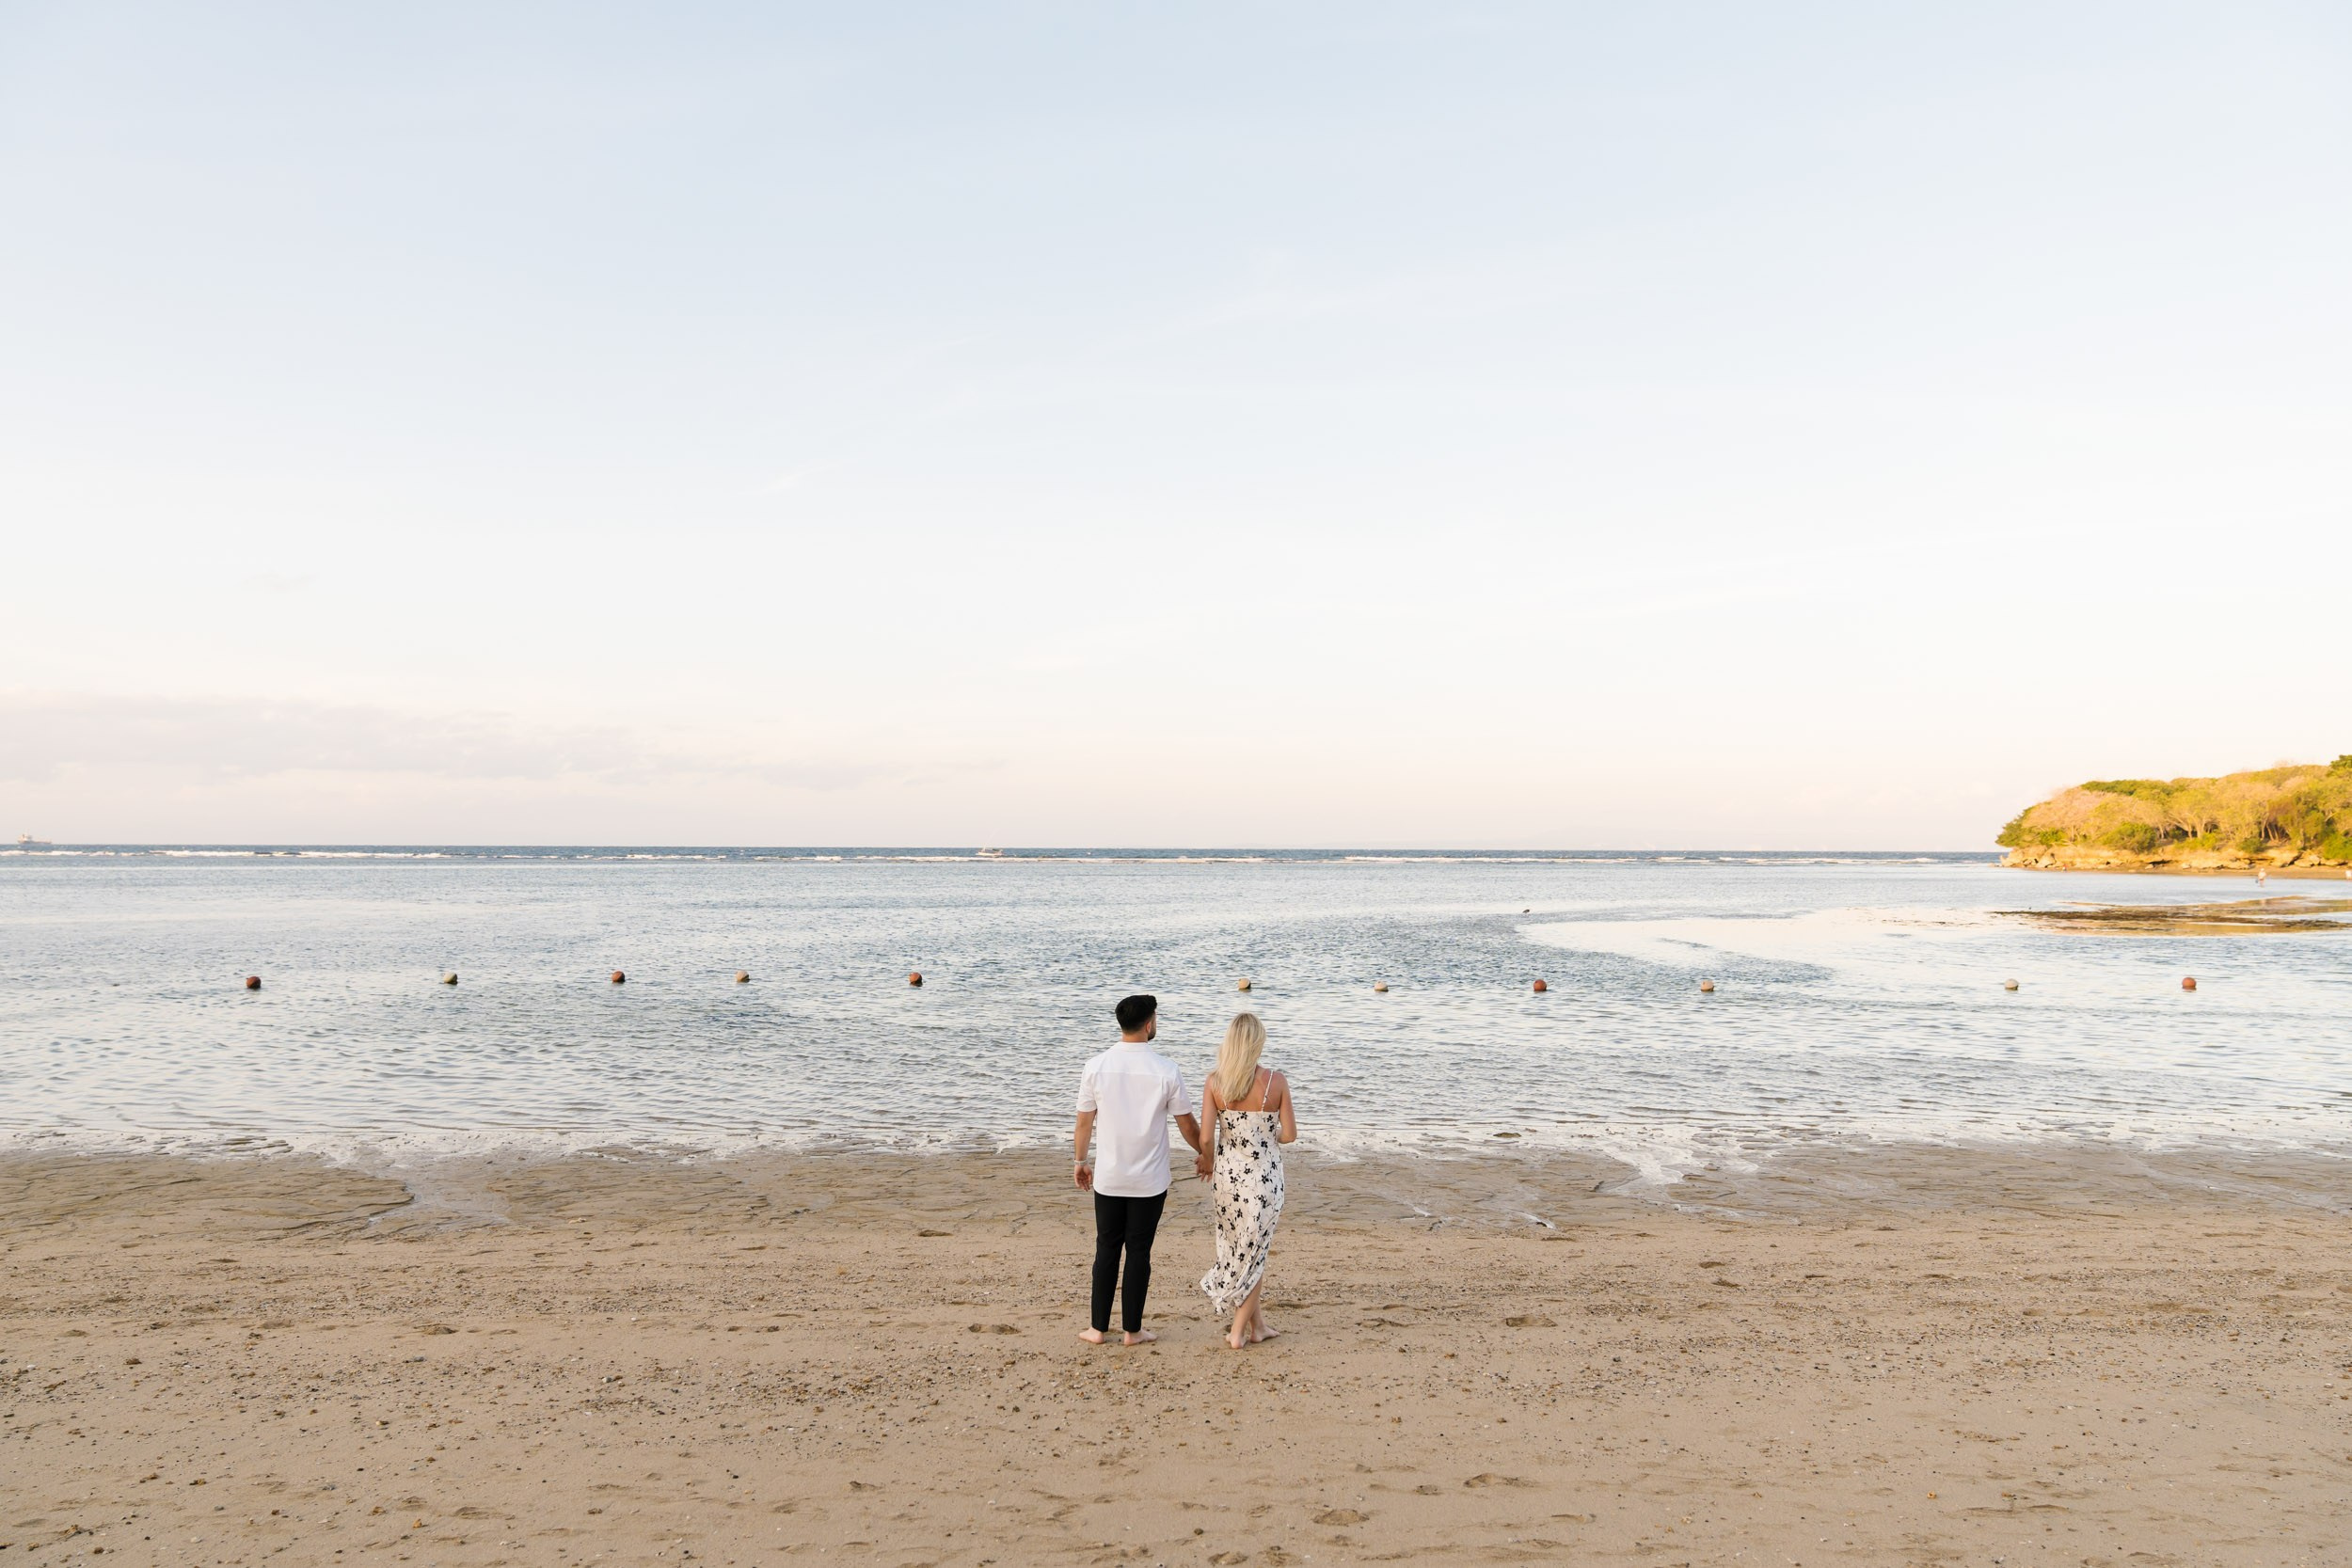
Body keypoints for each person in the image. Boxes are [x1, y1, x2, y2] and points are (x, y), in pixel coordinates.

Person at [1073, 993, 1202, 1346]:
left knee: (1106, 1248)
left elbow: (1084, 1123)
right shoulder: (1166, 1069)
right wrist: (1209, 1154)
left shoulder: (1096, 1066)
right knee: (1139, 1251)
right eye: (1156, 1019)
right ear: (1149, 1024)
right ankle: (1133, 1330)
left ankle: (1098, 1329)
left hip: (1110, 1176)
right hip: (1150, 1180)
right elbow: (1188, 1126)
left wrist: (1080, 1162)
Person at [1195, 1011, 1296, 1350]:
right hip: (1264, 1180)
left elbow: (1206, 1138)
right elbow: (1290, 1135)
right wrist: (1267, 1135)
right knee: (1256, 1253)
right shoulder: (1275, 1082)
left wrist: (1207, 1162)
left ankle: (1258, 1327)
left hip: (1227, 1180)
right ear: (1257, 1042)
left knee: (1241, 1249)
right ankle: (1237, 1333)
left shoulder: (1215, 1083)